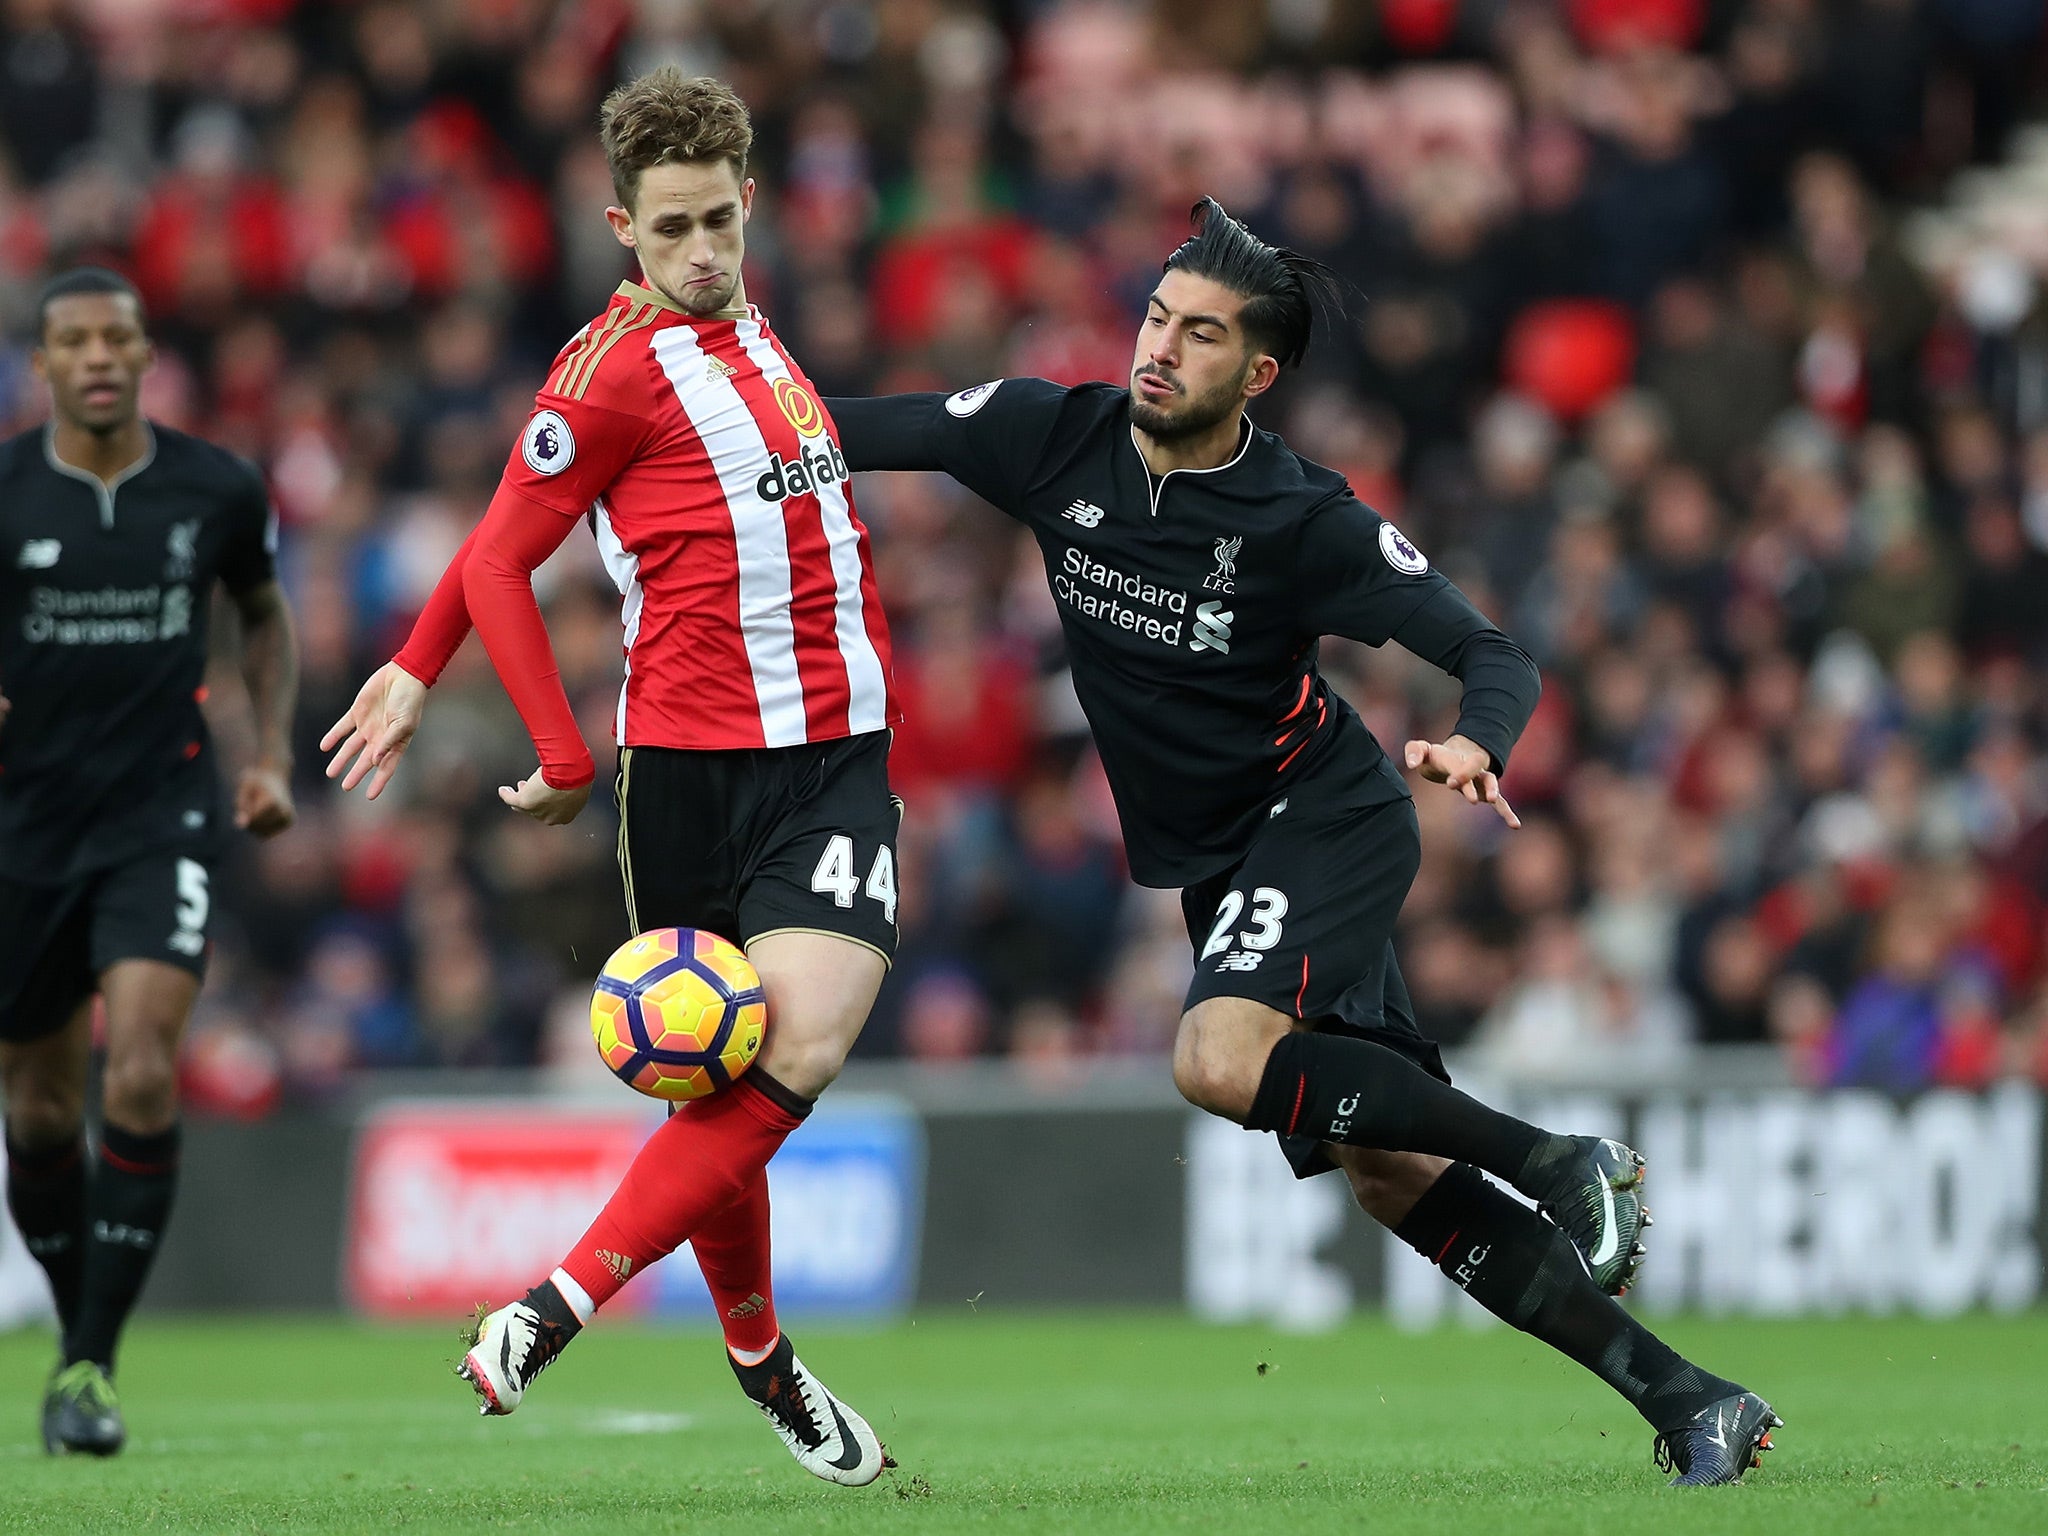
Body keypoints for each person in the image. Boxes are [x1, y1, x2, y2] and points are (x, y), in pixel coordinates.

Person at [824, 200, 1780, 1487]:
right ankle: (1689, 1398)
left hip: (1322, 816)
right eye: (1156, 316)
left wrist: (1474, 740)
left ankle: (1557, 1158)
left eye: (1200, 335)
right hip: (1219, 863)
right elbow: (831, 428)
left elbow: (1488, 650)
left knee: (1216, 1058)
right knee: (1386, 1173)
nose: (1159, 349)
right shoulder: (1049, 437)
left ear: (1255, 374)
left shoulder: (1299, 517)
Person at [320, 70, 895, 1487]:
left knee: (799, 1046)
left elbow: (495, 543)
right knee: (725, 1063)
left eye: (719, 222)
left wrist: (413, 656)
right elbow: (507, 551)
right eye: (671, 232)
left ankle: (552, 1303)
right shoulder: (608, 370)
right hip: (687, 768)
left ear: (749, 205)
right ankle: (761, 1356)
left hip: (835, 759)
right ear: (619, 229)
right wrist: (548, 743)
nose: (701, 254)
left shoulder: (757, 327)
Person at [0, 267, 299, 1455]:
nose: (98, 359)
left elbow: (263, 612)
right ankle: (80, 1338)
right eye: (73, 341)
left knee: (138, 1074)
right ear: (46, 363)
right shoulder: (8, 488)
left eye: (117, 338)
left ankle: (91, 1360)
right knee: (38, 1101)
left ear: (145, 353)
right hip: (23, 833)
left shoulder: (215, 485)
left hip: (160, 814)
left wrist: (269, 752)